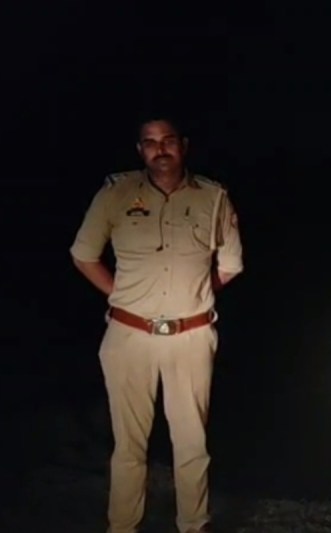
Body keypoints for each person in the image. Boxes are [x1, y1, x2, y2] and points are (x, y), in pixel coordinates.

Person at [69, 116, 244, 533]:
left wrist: (194, 293)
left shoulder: (214, 197)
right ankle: (123, 526)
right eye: (150, 142)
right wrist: (120, 296)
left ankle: (194, 524)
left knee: (192, 443)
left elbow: (231, 265)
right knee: (128, 444)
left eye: (167, 141)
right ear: (140, 150)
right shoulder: (115, 194)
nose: (159, 149)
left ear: (183, 145)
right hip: (128, 335)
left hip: (191, 336)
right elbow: (83, 255)